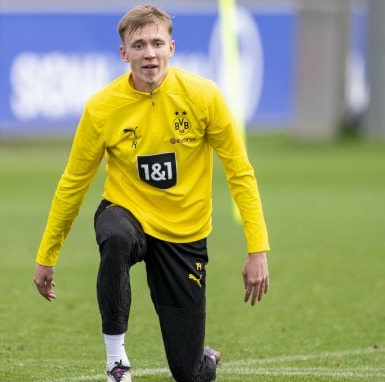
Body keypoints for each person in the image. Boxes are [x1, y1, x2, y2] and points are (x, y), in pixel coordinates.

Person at [33, 4, 270, 382]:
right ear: (123, 53)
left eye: (157, 43)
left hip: (185, 234)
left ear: (172, 48)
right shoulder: (101, 108)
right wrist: (47, 255)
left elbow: (241, 173)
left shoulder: (204, 97)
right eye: (139, 45)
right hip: (128, 214)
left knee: (189, 373)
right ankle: (116, 362)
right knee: (114, 236)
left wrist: (257, 250)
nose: (150, 54)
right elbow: (73, 183)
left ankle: (201, 356)